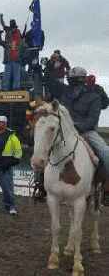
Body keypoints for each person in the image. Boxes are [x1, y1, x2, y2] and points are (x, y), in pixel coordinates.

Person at [41, 67, 109, 205]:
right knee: (44, 147)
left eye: (76, 80)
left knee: (106, 152)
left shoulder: (94, 96)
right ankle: (41, 183)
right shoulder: (65, 92)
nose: (73, 83)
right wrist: (42, 69)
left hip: (87, 130)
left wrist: (77, 127)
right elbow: (50, 82)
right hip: (66, 130)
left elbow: (92, 119)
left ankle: (107, 188)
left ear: (82, 80)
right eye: (71, 80)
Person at [0, 23, 28, 91]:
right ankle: (5, 89)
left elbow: (26, 49)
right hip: (8, 62)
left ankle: (16, 88)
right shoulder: (8, 41)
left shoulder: (21, 41)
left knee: (16, 77)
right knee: (6, 76)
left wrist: (24, 57)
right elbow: (0, 42)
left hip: (17, 61)